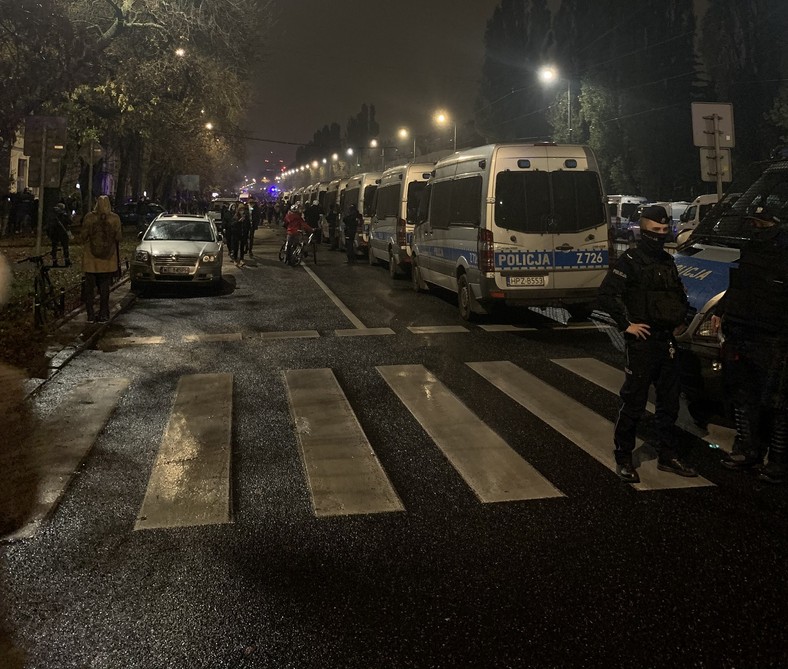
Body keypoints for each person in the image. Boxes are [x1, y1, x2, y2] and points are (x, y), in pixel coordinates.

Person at [598, 205, 698, 483]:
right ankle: (624, 456)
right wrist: (625, 325)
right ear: (643, 231)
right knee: (634, 402)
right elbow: (606, 295)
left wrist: (680, 319)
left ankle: (667, 454)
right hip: (642, 343)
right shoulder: (630, 260)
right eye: (656, 231)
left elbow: (677, 294)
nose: (661, 235)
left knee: (669, 404)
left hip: (666, 341)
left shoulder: (667, 261)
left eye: (665, 230)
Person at [711, 205, 788, 483]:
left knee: (778, 403)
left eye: (761, 225)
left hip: (774, 338)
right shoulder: (750, 253)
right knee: (743, 396)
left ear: (774, 226)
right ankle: (748, 449)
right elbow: (738, 288)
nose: (755, 229)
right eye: (753, 224)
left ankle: (778, 461)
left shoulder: (783, 255)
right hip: (743, 333)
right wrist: (721, 312)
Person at [80, 195, 122, 323]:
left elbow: (83, 237)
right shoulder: (115, 218)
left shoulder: (89, 217)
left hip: (90, 261)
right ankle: (104, 313)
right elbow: (119, 237)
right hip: (108, 261)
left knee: (89, 290)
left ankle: (90, 315)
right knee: (104, 289)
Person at [48, 202, 72, 267]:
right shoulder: (64, 215)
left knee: (54, 247)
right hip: (63, 233)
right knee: (65, 247)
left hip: (54, 233)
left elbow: (50, 224)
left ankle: (54, 261)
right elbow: (69, 222)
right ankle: (67, 261)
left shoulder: (52, 214)